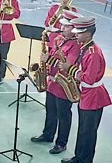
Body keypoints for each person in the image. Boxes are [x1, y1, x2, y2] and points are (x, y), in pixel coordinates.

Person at [59, 16, 112, 163]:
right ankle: (78, 156)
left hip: (93, 96)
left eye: (79, 33)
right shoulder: (85, 47)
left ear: (88, 34)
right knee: (82, 129)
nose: (76, 35)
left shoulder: (93, 53)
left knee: (88, 133)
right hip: (86, 94)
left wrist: (70, 69)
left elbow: (89, 78)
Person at [31, 10, 82, 154]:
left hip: (64, 84)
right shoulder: (59, 39)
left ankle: (61, 142)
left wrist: (49, 60)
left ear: (74, 29)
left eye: (66, 26)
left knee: (63, 115)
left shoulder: (76, 45)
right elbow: (52, 55)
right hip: (52, 82)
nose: (62, 27)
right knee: (50, 109)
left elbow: (68, 65)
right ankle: (48, 134)